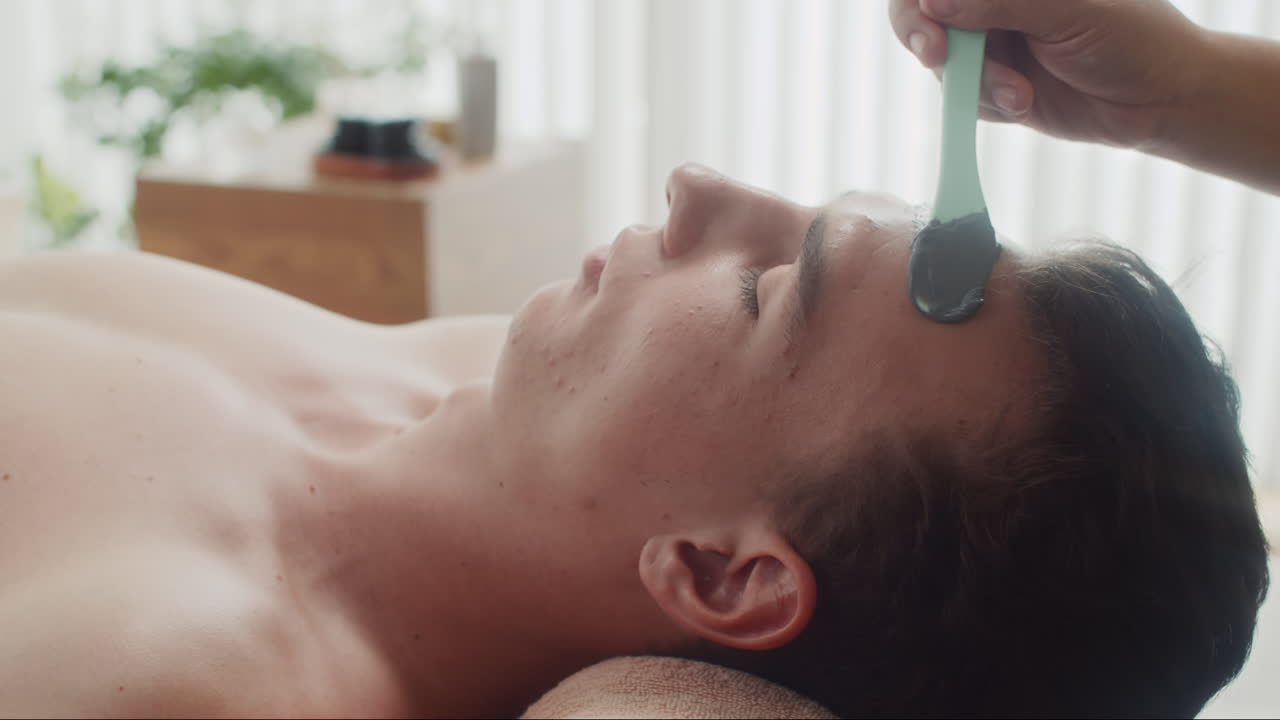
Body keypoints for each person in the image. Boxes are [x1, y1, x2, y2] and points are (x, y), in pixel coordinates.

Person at [0, 1, 1272, 717]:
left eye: (771, 289)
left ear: (720, 577)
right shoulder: (486, 390)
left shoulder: (173, 674)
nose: (695, 188)